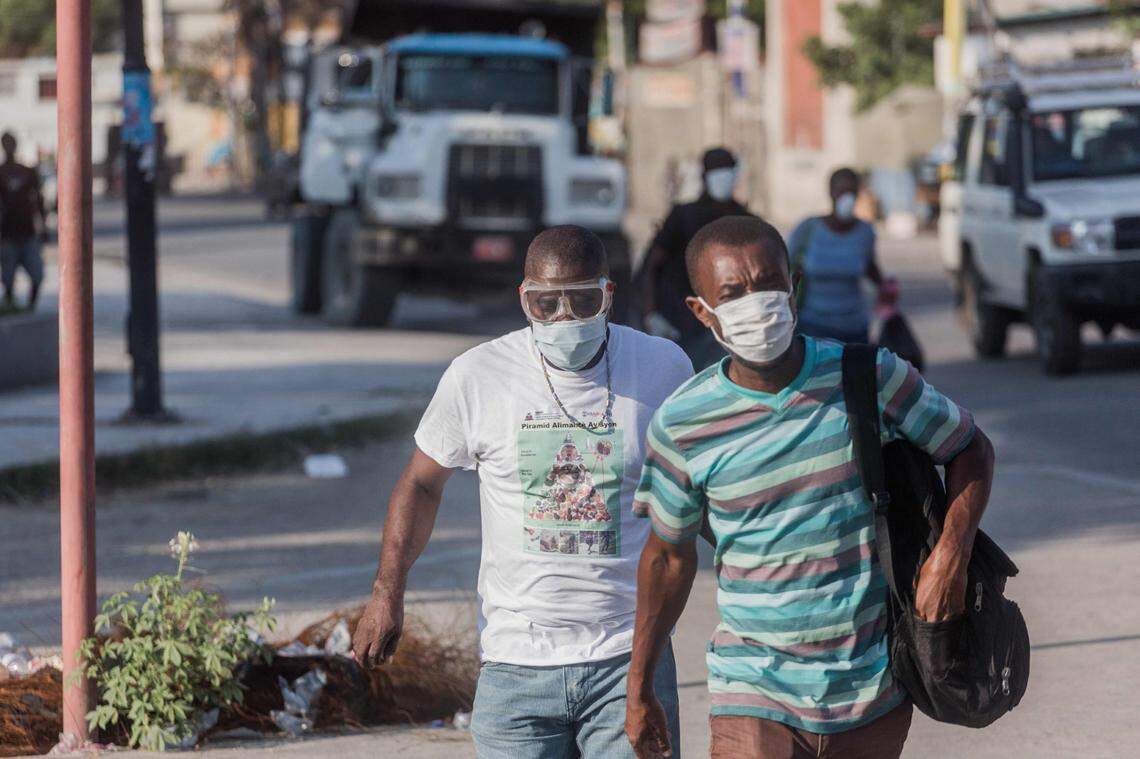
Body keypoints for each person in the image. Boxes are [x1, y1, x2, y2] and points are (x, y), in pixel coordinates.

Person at [624, 216, 994, 759]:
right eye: (733, 293)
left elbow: (970, 449)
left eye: (768, 283)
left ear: (794, 286)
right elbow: (667, 559)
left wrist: (949, 558)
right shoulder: (684, 423)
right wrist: (638, 689)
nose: (757, 303)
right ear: (702, 312)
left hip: (872, 687)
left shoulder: (868, 377)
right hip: (751, 688)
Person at [351, 225, 694, 758]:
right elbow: (420, 483)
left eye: (581, 300)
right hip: (517, 665)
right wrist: (386, 592)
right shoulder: (478, 376)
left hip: (630, 657)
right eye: (545, 302)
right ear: (523, 298)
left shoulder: (662, 368)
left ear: (608, 295)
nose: (563, 318)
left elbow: (700, 490)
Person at [640, 147, 755, 369]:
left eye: (726, 169)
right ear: (703, 176)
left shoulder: (746, 219)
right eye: (716, 170)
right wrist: (651, 313)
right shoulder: (683, 216)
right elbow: (651, 266)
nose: (722, 176)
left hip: (727, 326)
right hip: (678, 321)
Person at [788, 167, 884, 344]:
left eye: (851, 192)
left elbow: (870, 267)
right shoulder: (808, 229)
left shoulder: (865, 231)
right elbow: (785, 265)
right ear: (831, 193)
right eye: (842, 191)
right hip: (813, 326)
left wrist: (886, 287)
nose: (847, 197)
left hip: (855, 328)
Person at [0, 132, 47, 310]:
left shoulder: (27, 172)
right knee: (8, 275)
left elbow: (38, 199)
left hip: (27, 231)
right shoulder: (1, 173)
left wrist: (43, 227)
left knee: (37, 273)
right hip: (8, 233)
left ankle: (31, 305)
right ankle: (11, 303)